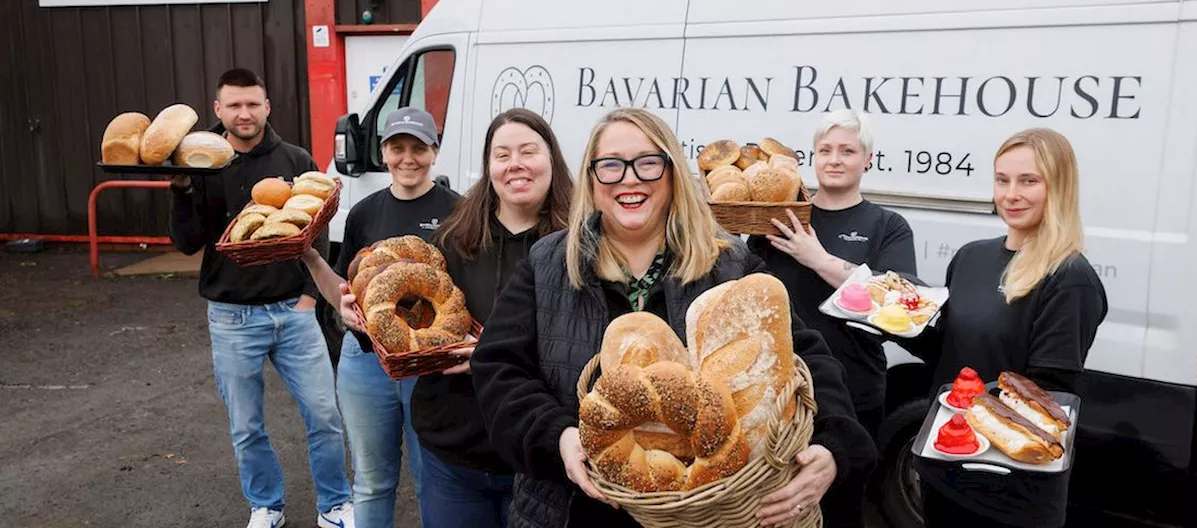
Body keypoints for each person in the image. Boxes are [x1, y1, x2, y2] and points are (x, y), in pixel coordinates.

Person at [470, 107, 879, 528]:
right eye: (611, 165)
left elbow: (805, 357)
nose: (629, 178)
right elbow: (499, 369)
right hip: (570, 509)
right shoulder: (548, 264)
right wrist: (558, 437)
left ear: (672, 174)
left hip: (708, 513)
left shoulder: (729, 263)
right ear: (592, 180)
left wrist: (834, 445)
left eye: (648, 162)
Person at [169, 68, 352, 528]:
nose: (244, 113)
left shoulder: (294, 159)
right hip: (231, 316)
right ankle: (266, 505)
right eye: (234, 105)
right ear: (218, 110)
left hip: (292, 310)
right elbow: (188, 242)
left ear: (267, 106)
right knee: (246, 425)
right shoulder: (200, 164)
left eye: (253, 104)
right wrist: (181, 188)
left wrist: (311, 298)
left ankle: (335, 506)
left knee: (325, 416)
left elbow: (319, 233)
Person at [911, 128, 1108, 528]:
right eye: (1002, 180)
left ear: (1059, 187)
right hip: (946, 465)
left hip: (1011, 492)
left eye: (1028, 181)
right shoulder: (971, 257)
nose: (1011, 194)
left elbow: (1047, 393)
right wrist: (890, 322)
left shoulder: (1069, 278)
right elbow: (948, 351)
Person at [402, 108, 573, 528]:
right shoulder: (451, 240)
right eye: (502, 154)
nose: (515, 163)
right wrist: (360, 319)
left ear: (552, 160)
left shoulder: (578, 249)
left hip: (542, 461)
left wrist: (490, 354)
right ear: (489, 167)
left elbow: (586, 344)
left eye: (528, 151)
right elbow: (409, 324)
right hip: (455, 454)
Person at [748, 110, 917, 527]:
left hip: (855, 389)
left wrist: (820, 260)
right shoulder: (780, 219)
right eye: (825, 150)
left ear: (869, 159)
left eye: (847, 150)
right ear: (813, 157)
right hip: (778, 394)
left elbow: (898, 301)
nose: (835, 159)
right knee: (774, 504)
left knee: (842, 505)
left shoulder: (887, 226)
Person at [300, 106, 460, 528]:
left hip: (431, 368)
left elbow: (460, 298)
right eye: (397, 147)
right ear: (383, 152)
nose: (408, 158)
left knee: (436, 478)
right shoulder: (364, 212)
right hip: (366, 362)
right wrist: (316, 265)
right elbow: (349, 290)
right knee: (371, 482)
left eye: (418, 148)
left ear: (434, 152)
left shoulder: (458, 212)